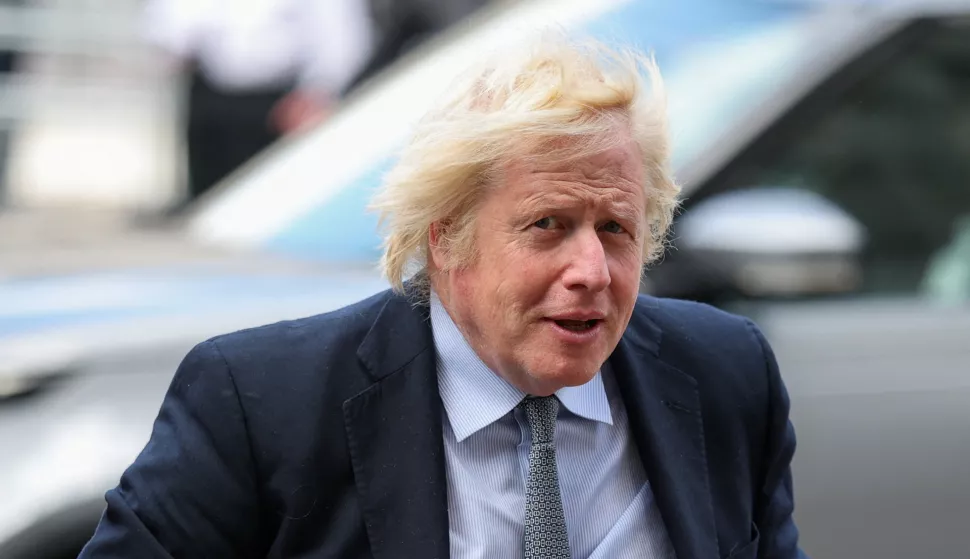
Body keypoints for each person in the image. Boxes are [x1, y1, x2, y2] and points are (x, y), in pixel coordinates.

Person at [79, 34, 807, 558]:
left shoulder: (724, 373)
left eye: (615, 228)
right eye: (547, 225)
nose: (592, 269)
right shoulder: (263, 402)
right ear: (446, 239)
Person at [142, 0, 373, 211]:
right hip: (209, 91)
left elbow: (343, 39)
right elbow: (168, 28)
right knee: (208, 195)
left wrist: (317, 92)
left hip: (279, 101)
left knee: (267, 197)